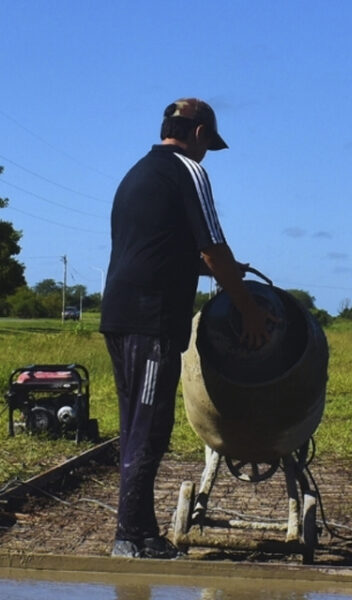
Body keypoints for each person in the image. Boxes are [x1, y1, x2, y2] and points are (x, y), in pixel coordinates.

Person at [100, 97, 273, 559]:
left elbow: (161, 251)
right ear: (198, 135)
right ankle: (127, 538)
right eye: (207, 146)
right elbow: (212, 247)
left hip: (119, 315)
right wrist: (249, 309)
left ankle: (140, 533)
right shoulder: (187, 170)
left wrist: (224, 270)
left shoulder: (137, 173)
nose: (206, 154)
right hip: (150, 320)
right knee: (150, 425)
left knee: (136, 422)